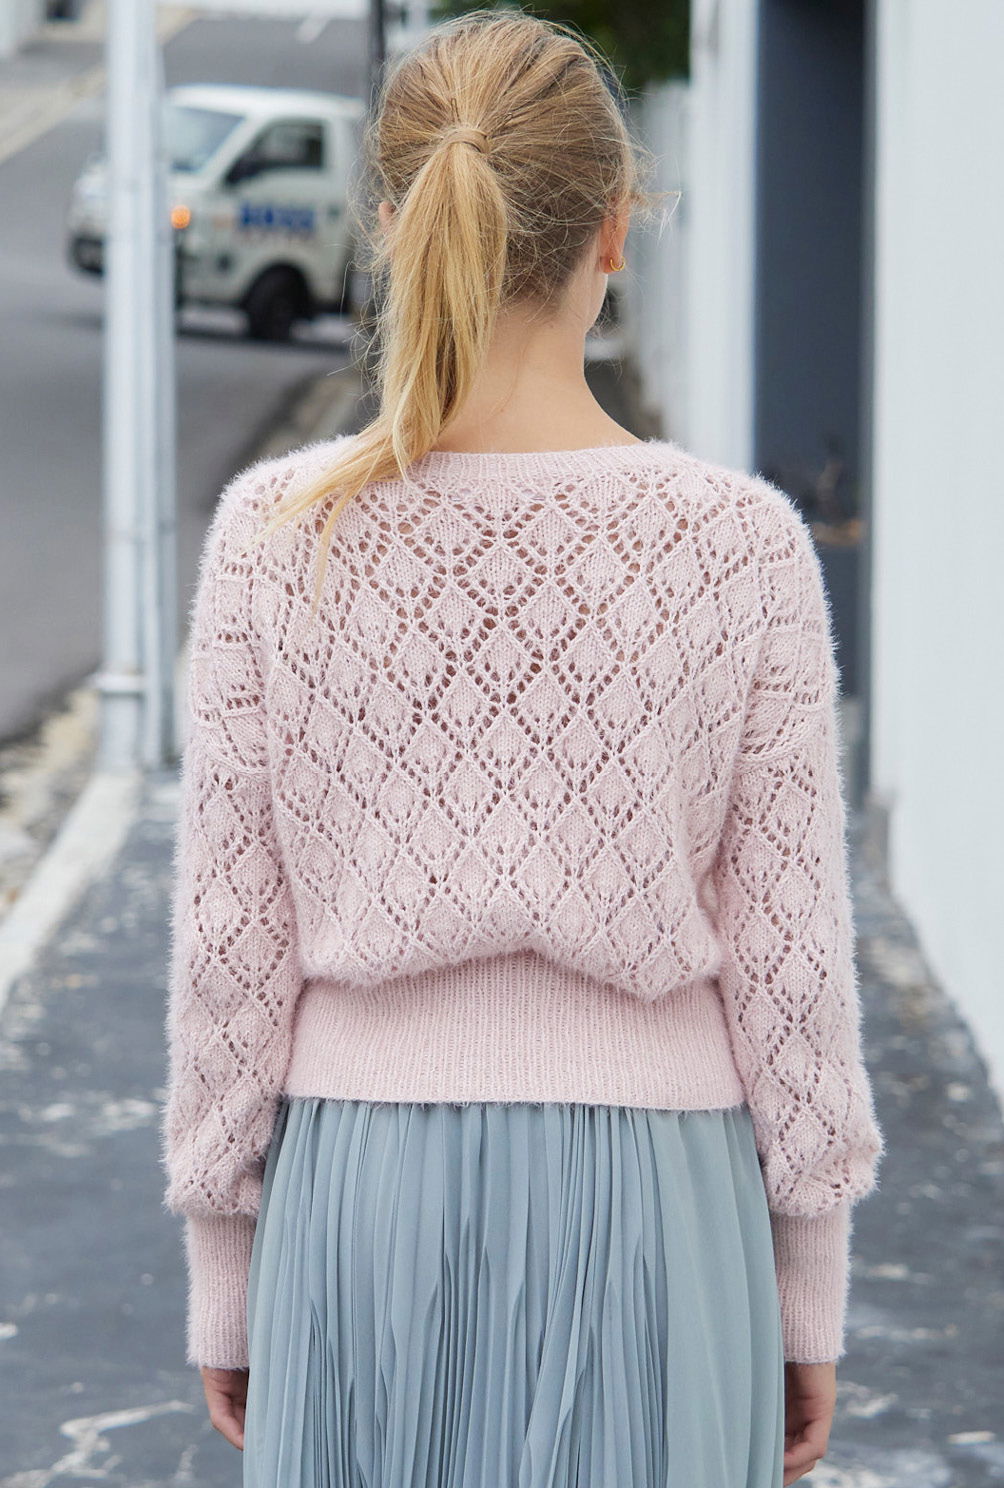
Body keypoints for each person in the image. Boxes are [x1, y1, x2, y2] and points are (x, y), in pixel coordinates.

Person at [159, 8, 886, 1486]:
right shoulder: (739, 546)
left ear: (390, 221)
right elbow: (793, 956)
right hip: (661, 1207)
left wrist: (226, 1272)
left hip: (356, 1204)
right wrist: (806, 1294)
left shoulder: (277, 537)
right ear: (616, 228)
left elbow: (232, 944)